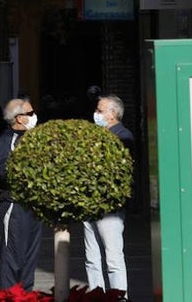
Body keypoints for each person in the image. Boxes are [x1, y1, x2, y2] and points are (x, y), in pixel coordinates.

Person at [83, 94, 134, 295]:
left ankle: (119, 295)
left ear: (112, 114)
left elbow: (121, 171)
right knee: (92, 258)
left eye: (100, 110)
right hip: (91, 204)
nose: (96, 114)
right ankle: (97, 295)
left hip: (109, 207)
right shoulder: (96, 135)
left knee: (113, 258)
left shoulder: (123, 136)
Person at [0, 98, 43, 291]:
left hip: (34, 205)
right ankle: (8, 295)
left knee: (30, 256)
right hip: (14, 205)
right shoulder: (6, 140)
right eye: (30, 113)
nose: (34, 116)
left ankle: (26, 294)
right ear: (19, 118)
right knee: (12, 255)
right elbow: (3, 171)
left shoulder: (35, 138)